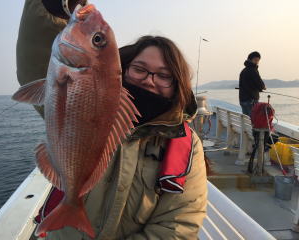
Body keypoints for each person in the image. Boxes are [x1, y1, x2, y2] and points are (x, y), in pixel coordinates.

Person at [17, 1, 207, 239]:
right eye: (139, 69)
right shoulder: (81, 91)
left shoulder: (188, 146)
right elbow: (32, 64)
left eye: (164, 75)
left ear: (176, 84)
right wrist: (50, 7)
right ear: (123, 69)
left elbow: (178, 224)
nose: (149, 80)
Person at [239, 51, 266, 116]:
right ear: (250, 59)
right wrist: (263, 87)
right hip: (251, 100)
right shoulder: (253, 69)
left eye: (258, 60)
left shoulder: (244, 70)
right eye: (255, 60)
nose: (257, 62)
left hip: (243, 100)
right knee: (254, 120)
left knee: (247, 120)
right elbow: (259, 82)